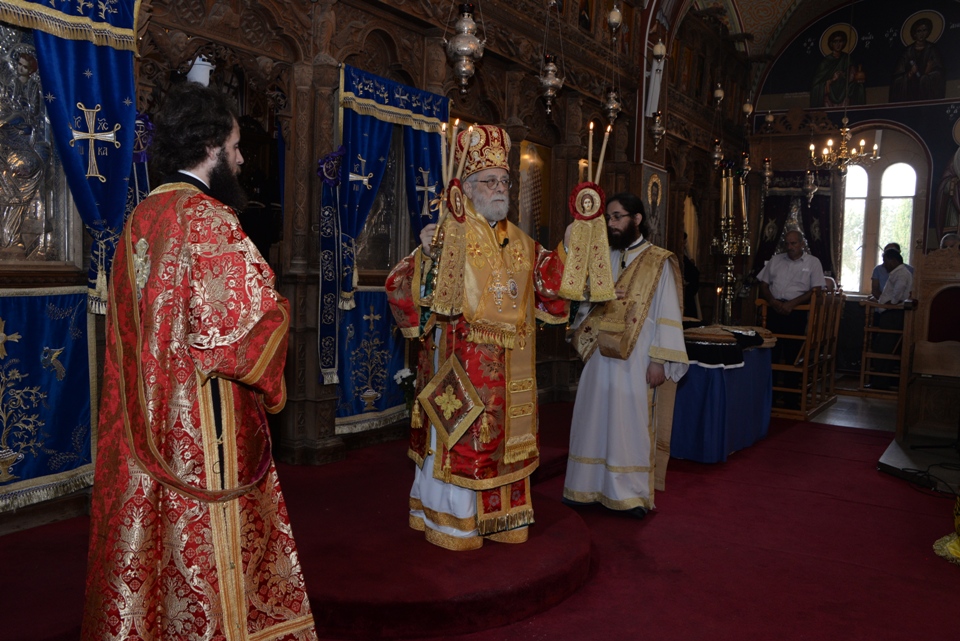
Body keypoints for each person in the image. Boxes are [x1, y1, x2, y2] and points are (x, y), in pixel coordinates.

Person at [81, 82, 317, 640]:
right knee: (209, 542)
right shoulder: (208, 218)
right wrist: (280, 312)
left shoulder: (141, 217)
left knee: (155, 531)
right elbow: (244, 329)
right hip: (200, 430)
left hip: (148, 418)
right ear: (211, 144)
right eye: (235, 145)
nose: (240, 158)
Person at [385, 124, 570, 550]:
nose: (500, 188)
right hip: (462, 369)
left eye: (504, 180)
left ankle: (503, 518)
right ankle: (454, 520)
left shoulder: (522, 242)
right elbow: (404, 290)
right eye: (490, 181)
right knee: (466, 439)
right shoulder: (448, 236)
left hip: (512, 374)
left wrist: (577, 243)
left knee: (506, 445)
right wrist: (426, 257)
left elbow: (553, 287)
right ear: (467, 189)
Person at [562, 192, 688, 519]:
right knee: (592, 418)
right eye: (609, 217)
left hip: (637, 356)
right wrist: (594, 293)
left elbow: (667, 311)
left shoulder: (658, 260)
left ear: (636, 219)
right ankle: (585, 487)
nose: (611, 223)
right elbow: (581, 305)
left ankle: (629, 494)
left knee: (627, 423)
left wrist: (660, 359)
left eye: (618, 217)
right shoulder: (601, 257)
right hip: (598, 356)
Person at [757, 229, 826, 366]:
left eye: (793, 243)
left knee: (792, 351)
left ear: (802, 244)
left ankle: (792, 383)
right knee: (772, 350)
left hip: (797, 310)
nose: (789, 247)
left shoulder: (812, 262)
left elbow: (816, 289)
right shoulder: (776, 260)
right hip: (774, 308)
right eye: (787, 244)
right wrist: (772, 301)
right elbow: (763, 284)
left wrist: (792, 304)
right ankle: (773, 384)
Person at [870, 248, 913, 389]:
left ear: (893, 261)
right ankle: (880, 381)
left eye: (885, 261)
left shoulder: (901, 274)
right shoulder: (898, 273)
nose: (884, 265)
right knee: (882, 347)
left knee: (885, 349)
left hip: (892, 315)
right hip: (889, 314)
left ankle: (881, 383)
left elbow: (898, 294)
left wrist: (890, 304)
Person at [890, 17, 944, 103]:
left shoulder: (932, 50)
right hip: (910, 94)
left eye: (924, 30)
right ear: (914, 33)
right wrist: (910, 73)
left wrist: (927, 74)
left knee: (925, 79)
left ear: (928, 32)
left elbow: (939, 73)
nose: (922, 34)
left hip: (926, 94)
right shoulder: (907, 52)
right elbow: (897, 79)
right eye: (919, 31)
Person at [810, 29, 865, 108]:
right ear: (831, 44)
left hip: (845, 97)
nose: (838, 44)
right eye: (835, 42)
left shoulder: (847, 59)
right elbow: (816, 86)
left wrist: (847, 76)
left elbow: (852, 78)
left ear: (844, 43)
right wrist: (832, 80)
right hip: (829, 98)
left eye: (840, 41)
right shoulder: (825, 62)